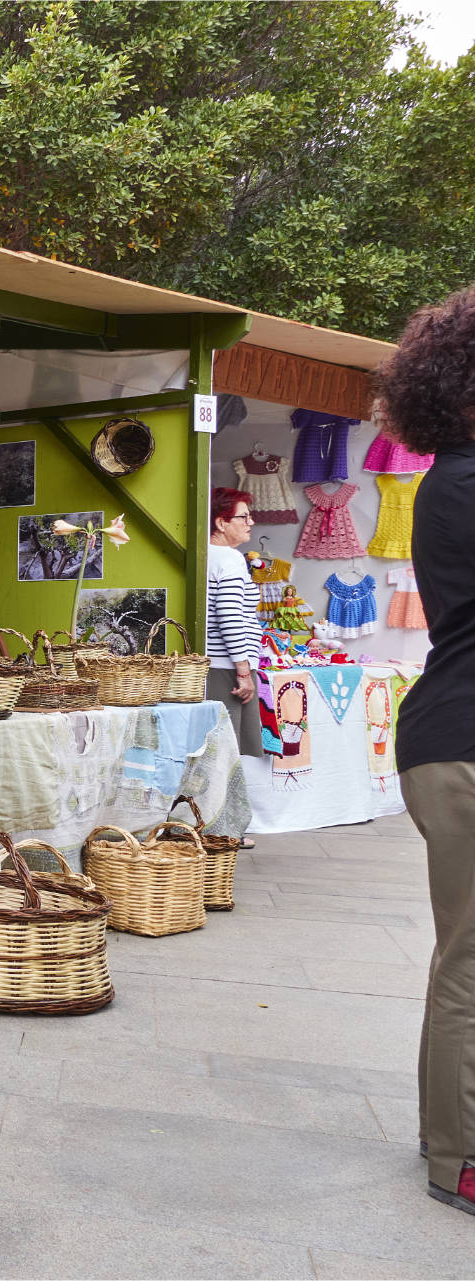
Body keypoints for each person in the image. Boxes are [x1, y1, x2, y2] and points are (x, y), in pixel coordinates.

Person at [381, 284, 475, 1217]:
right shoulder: (462, 481)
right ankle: (461, 1157)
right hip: (463, 743)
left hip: (454, 734)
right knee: (472, 959)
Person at [206, 487, 264, 760]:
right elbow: (228, 616)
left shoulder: (206, 557)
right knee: (222, 756)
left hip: (217, 664)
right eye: (244, 517)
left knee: (215, 753)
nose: (250, 522)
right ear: (221, 523)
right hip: (226, 667)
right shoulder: (228, 558)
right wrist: (242, 669)